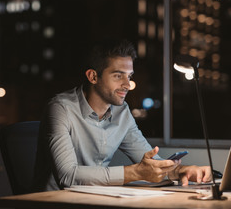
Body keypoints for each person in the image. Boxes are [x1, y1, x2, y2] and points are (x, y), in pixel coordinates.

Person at [32, 39, 211, 192]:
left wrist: (181, 171)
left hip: (93, 200)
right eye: (118, 76)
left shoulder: (121, 112)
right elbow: (68, 176)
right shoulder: (60, 108)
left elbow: (150, 163)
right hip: (54, 203)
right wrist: (135, 172)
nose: (128, 84)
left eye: (129, 76)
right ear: (93, 76)